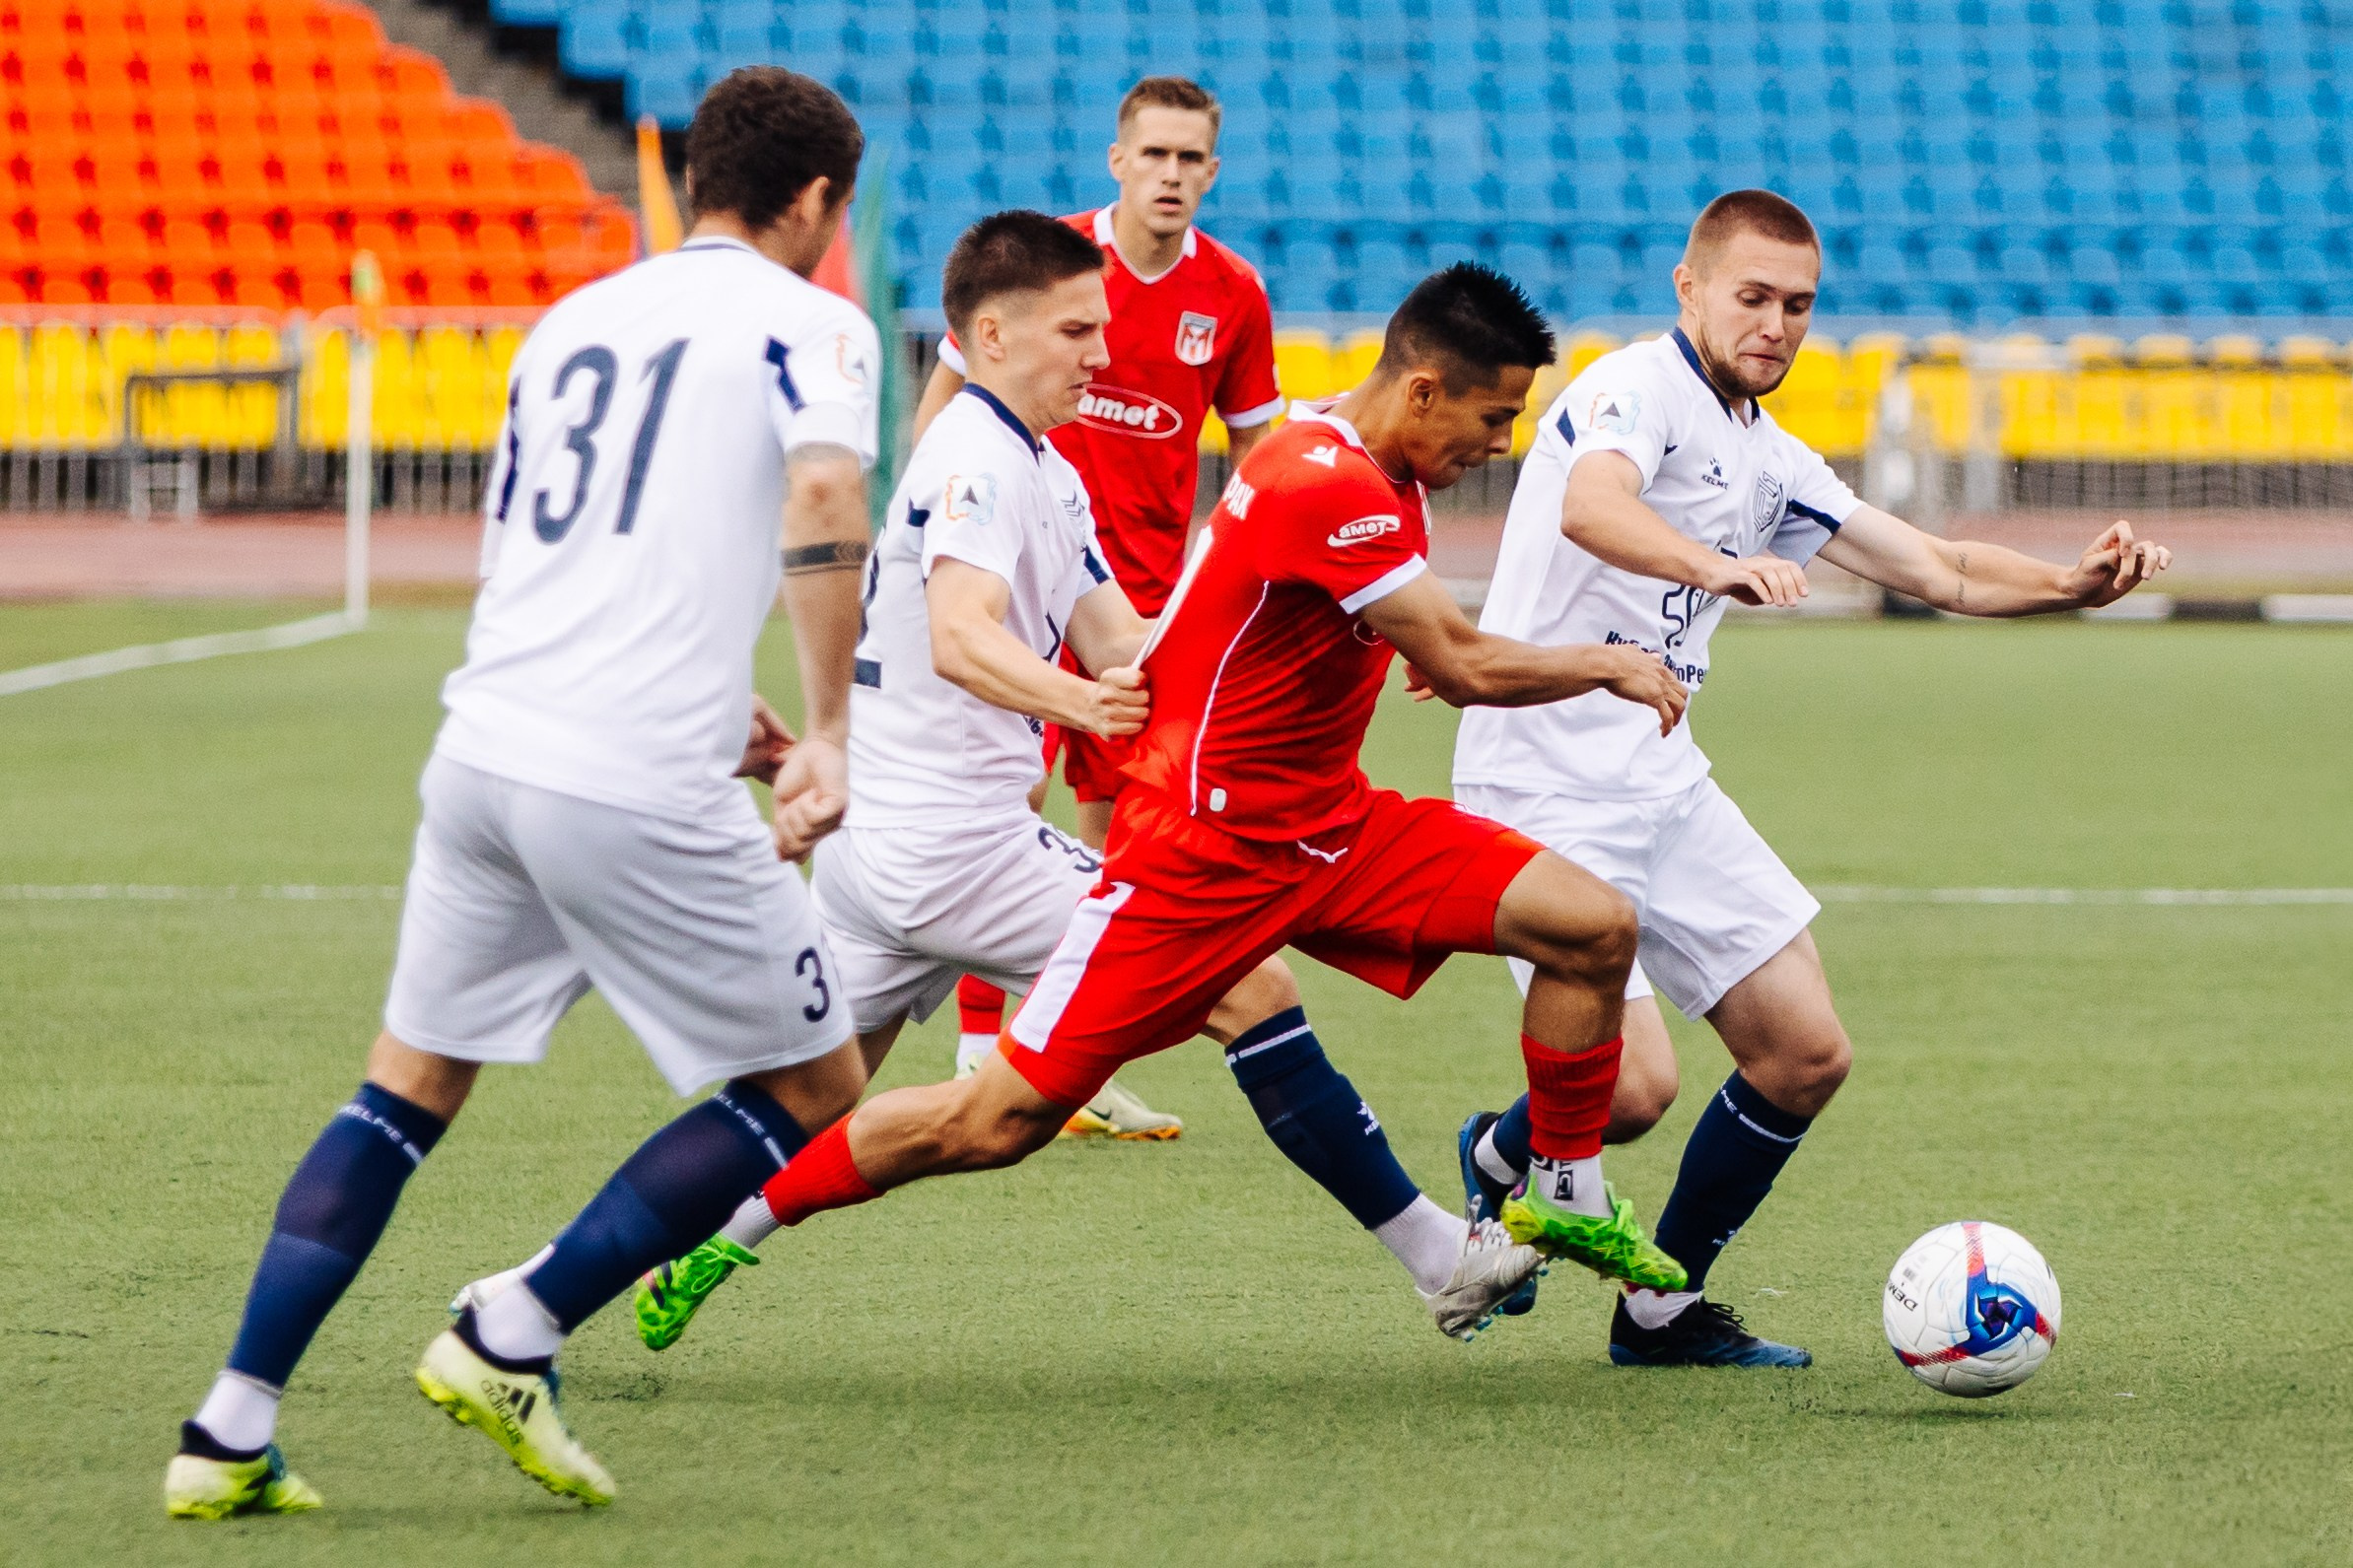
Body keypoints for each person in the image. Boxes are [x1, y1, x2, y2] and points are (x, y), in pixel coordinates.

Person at [734, 265, 1696, 1366]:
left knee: (1591, 925)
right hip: (1201, 852)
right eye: (1494, 416)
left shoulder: (1367, 449)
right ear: (1422, 391)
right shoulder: (1318, 477)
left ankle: (1556, 1190)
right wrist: (1602, 662)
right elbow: (1465, 661)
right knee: (995, 1119)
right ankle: (735, 1222)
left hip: (1333, 828)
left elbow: (1387, 624)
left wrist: (1413, 637)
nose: (1502, 440)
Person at [163, 67, 881, 1517]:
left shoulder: (572, 320)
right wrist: (822, 731)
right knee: (817, 1081)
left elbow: (563, 542)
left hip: (490, 745)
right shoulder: (815, 321)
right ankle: (515, 1325)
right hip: (625, 776)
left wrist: (700, 696)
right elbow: (818, 502)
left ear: (688, 181)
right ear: (813, 203)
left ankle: (227, 1425)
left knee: (406, 1083)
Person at [625, 211, 1428, 1354]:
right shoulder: (975, 460)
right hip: (952, 848)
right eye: (1078, 330)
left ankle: (550, 1287)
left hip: (882, 850)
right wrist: (1076, 704)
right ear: (991, 336)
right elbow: (962, 635)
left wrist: (1296, 617)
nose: (1103, 356)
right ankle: (1438, 1255)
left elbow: (1129, 644)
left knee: (792, 1098)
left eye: (1103, 330)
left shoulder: (1039, 463)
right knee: (1251, 985)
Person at [1450, 189, 2172, 1368]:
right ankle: (1496, 1154)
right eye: (1752, 296)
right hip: (1543, 784)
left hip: (1661, 779)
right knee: (1630, 1095)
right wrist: (1714, 566)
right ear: (1688, 289)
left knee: (1802, 1052)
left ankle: (1658, 1312)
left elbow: (1932, 564)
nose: (1777, 324)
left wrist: (2066, 583)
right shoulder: (1632, 387)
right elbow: (1593, 505)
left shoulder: (1764, 451)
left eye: (1798, 304)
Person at [919, 77, 1285, 1133]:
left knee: (1119, 835)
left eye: (1190, 159)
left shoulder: (1232, 295)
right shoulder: (1054, 269)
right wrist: (922, 515)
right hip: (1029, 595)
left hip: (1147, 609)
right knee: (1005, 811)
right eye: (1154, 155)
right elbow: (950, 400)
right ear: (1116, 161)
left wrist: (1243, 582)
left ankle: (1070, 1055)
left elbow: (1257, 459)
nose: (1171, 175)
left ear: (1211, 172)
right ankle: (980, 1051)